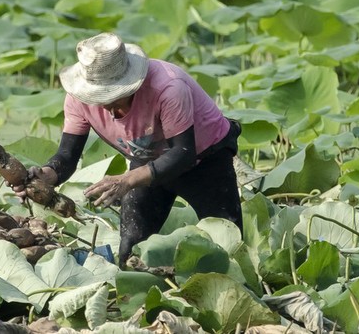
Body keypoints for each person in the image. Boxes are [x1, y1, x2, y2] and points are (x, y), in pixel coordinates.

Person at [17, 32, 242, 266]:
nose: (109, 108)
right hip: (146, 160)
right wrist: (47, 176)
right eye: (100, 99)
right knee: (130, 251)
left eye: (115, 98)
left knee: (228, 250)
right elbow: (67, 155)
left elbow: (183, 154)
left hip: (204, 160)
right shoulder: (78, 99)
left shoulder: (168, 87)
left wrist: (126, 180)